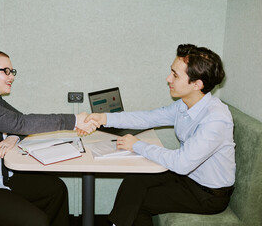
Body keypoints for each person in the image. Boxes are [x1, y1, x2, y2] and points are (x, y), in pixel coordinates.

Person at [85, 44, 235, 226]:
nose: (168, 79)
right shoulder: (185, 104)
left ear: (197, 84)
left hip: (207, 194)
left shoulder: (216, 119)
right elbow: (149, 118)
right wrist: (104, 118)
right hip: (189, 176)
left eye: (175, 75)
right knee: (135, 179)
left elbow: (181, 163)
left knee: (138, 204)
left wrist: (137, 145)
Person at [0, 49, 98, 226]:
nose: (12, 77)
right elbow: (21, 123)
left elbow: (17, 122)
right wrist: (74, 120)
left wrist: (13, 138)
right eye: (6, 71)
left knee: (57, 189)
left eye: (12, 71)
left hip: (0, 176)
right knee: (37, 221)